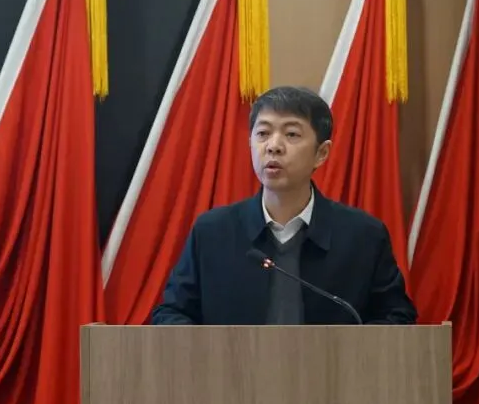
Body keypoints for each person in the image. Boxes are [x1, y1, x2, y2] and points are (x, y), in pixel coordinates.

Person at [150, 86, 417, 325]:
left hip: (332, 367)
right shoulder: (212, 232)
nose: (273, 146)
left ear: (321, 153)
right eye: (263, 133)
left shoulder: (363, 236)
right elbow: (171, 312)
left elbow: (396, 317)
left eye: (291, 134)